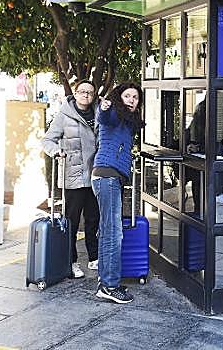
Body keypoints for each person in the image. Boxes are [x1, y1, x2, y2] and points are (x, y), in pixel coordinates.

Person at [91, 82, 144, 304]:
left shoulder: (127, 121)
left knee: (107, 231)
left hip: (108, 177)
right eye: (127, 96)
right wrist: (103, 107)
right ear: (119, 98)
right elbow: (104, 117)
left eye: (135, 97)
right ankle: (110, 286)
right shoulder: (114, 113)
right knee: (113, 233)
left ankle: (106, 281)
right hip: (107, 176)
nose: (131, 100)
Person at [41, 80, 100, 279]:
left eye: (90, 92)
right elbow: (47, 140)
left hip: (95, 175)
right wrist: (57, 151)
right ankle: (71, 261)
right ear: (75, 94)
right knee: (72, 222)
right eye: (82, 91)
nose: (86, 95)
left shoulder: (99, 113)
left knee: (93, 219)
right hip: (73, 176)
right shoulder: (64, 115)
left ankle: (94, 257)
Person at [185, 100, 206, 212]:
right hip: (196, 161)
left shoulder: (206, 123)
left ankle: (199, 209)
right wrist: (189, 146)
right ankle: (198, 209)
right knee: (197, 182)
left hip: (203, 159)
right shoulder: (195, 124)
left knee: (198, 183)